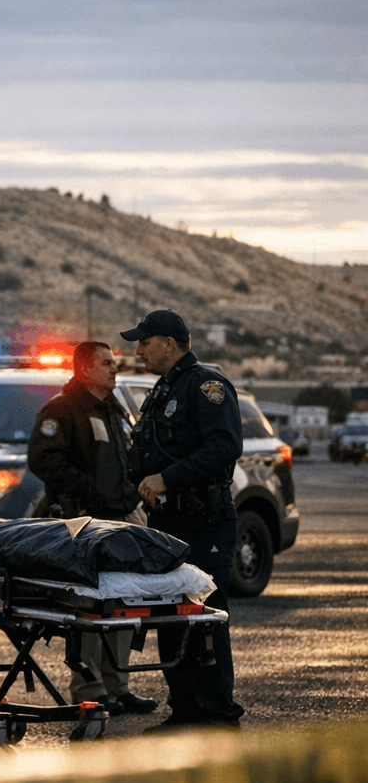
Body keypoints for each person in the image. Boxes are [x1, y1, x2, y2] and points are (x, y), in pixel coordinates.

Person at [122, 309, 245, 730]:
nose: (138, 350)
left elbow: (225, 446)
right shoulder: (162, 390)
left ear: (169, 344)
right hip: (167, 524)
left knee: (205, 615)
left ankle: (217, 714)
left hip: (203, 521)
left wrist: (166, 478)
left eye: (144, 341)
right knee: (171, 616)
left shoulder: (205, 385)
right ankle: (186, 710)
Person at [27, 340, 159, 717]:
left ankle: (118, 688)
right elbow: (43, 459)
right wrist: (86, 490)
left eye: (113, 363)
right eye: (105, 364)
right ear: (84, 370)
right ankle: (89, 689)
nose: (114, 370)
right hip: (84, 522)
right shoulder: (64, 409)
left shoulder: (114, 409)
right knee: (88, 610)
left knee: (120, 607)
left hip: (120, 520)